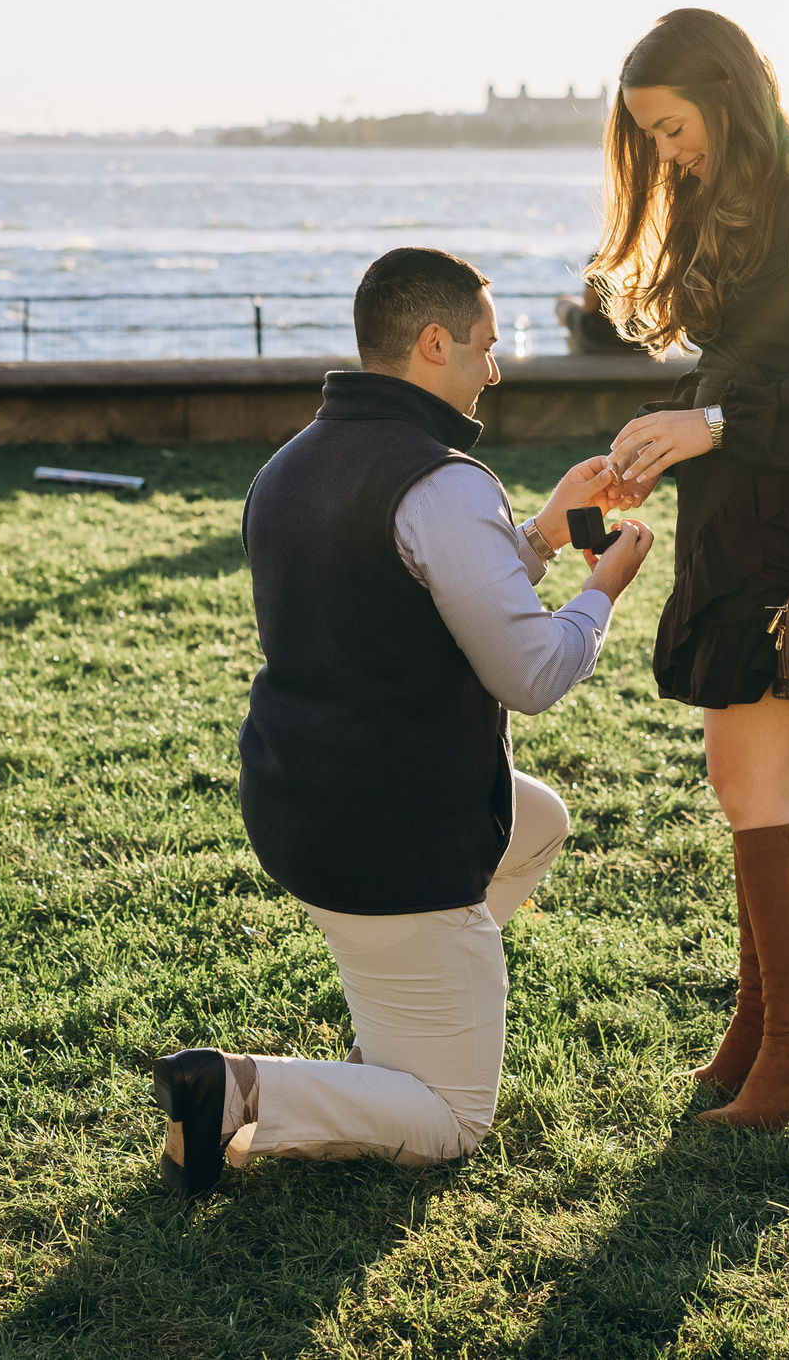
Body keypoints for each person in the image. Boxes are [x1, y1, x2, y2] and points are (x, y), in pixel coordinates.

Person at [148, 246, 654, 1197]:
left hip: (299, 800)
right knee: (453, 1120)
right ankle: (234, 1094)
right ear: (433, 343)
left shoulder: (286, 468)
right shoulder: (443, 481)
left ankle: (415, 999)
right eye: (484, 348)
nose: (495, 369)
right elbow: (532, 674)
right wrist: (601, 592)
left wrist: (543, 534)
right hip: (395, 831)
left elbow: (415, 591)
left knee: (537, 820)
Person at [593, 9, 789, 1134]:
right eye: (651, 138)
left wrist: (711, 426)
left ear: (728, 93)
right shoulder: (735, 204)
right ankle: (762, 1027)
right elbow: (740, 377)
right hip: (733, 519)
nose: (666, 155)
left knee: (755, 786)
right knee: (746, 787)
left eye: (674, 128)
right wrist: (656, 443)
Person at [553, 275, 646, 354]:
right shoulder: (655, 257)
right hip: (644, 343)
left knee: (562, 303)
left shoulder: (601, 257)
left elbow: (589, 307)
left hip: (599, 340)